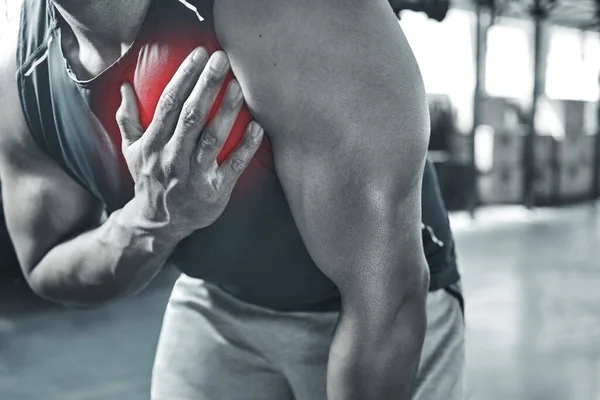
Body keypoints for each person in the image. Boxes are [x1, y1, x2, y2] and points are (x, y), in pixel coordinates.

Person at [0, 0, 465, 399]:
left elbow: (386, 300)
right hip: (217, 296)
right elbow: (44, 264)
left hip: (366, 309)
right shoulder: (22, 79)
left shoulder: (296, 15)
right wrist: (150, 221)